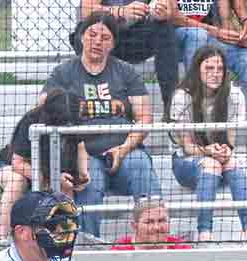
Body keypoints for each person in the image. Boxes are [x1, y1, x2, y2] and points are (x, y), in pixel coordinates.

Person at [44, 14, 163, 238]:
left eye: (105, 37)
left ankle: (155, 239)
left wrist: (124, 148)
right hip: (83, 152)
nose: (98, 41)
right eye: (92, 35)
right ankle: (91, 245)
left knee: (142, 167)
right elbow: (44, 106)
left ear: (113, 44)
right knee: (89, 183)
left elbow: (145, 117)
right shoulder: (64, 73)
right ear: (81, 37)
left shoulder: (126, 72)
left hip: (124, 148)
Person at [170, 45, 247, 240]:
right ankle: (204, 232)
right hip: (187, 164)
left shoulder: (234, 95)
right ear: (197, 70)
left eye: (219, 69)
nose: (215, 74)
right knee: (211, 164)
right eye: (209, 68)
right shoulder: (182, 97)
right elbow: (187, 147)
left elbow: (231, 141)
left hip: (219, 161)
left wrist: (226, 150)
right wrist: (207, 151)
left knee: (232, 162)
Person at [0, 90, 90, 246]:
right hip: (15, 167)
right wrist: (51, 178)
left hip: (51, 170)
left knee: (67, 187)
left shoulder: (74, 118)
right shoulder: (31, 119)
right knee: (17, 182)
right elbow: (18, 163)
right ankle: (0, 238)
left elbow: (81, 147)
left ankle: (68, 240)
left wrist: (84, 172)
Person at [172, 0, 247, 120]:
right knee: (197, 35)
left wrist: (235, 37)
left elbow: (224, 23)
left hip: (210, 36)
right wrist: (216, 32)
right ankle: (196, 104)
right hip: (176, 40)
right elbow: (172, 15)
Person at [75, 0, 182, 121]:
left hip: (138, 36)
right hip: (105, 31)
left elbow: (172, 11)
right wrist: (121, 11)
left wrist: (162, 11)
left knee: (165, 28)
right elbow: (86, 10)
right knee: (82, 33)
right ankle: (89, 107)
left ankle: (170, 108)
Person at [111, 196, 193, 249]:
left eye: (161, 221)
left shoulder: (181, 248)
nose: (156, 227)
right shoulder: (120, 250)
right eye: (149, 222)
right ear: (134, 225)